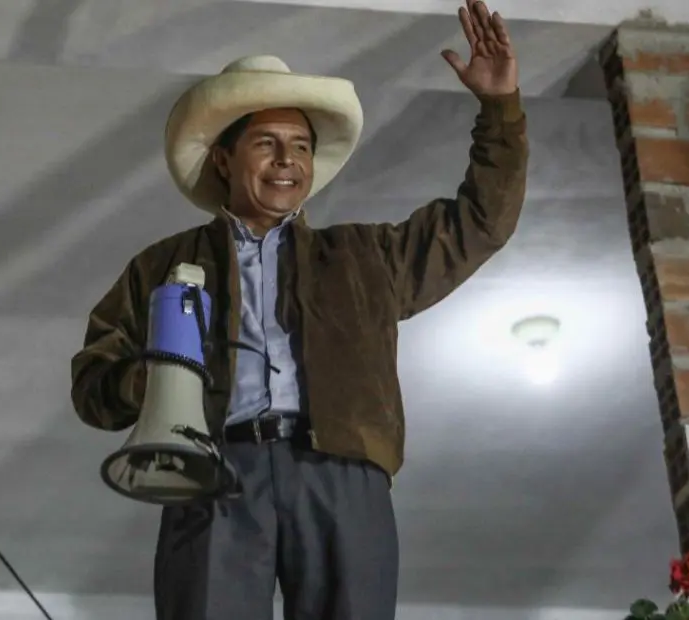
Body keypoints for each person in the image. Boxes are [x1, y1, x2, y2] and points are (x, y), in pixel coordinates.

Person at [70, 1, 527, 618]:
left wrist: (499, 110)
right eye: (267, 143)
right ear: (225, 159)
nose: (288, 159)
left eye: (301, 146)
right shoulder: (162, 266)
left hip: (342, 472)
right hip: (212, 470)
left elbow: (481, 221)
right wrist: (158, 379)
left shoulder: (366, 257)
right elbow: (92, 385)